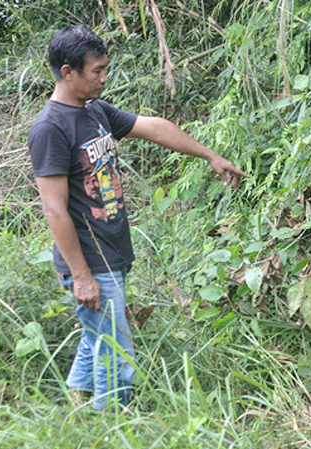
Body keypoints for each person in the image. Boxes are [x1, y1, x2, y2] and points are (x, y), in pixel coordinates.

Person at [28, 25, 247, 411]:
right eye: (96, 70)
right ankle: (112, 431)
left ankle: (76, 411)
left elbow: (153, 127)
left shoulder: (94, 111)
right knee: (117, 353)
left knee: (96, 337)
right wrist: (81, 276)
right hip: (91, 260)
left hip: (112, 250)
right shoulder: (51, 127)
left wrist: (210, 155)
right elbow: (53, 208)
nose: (104, 77)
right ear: (67, 72)